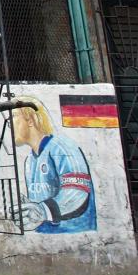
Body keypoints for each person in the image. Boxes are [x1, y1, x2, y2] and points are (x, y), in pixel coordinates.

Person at [12, 96, 96, 233]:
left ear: (31, 119)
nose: (10, 124)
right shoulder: (30, 160)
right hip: (46, 234)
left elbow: (77, 192)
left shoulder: (62, 147)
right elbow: (41, 202)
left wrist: (42, 210)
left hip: (73, 234)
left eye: (14, 117)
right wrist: (28, 207)